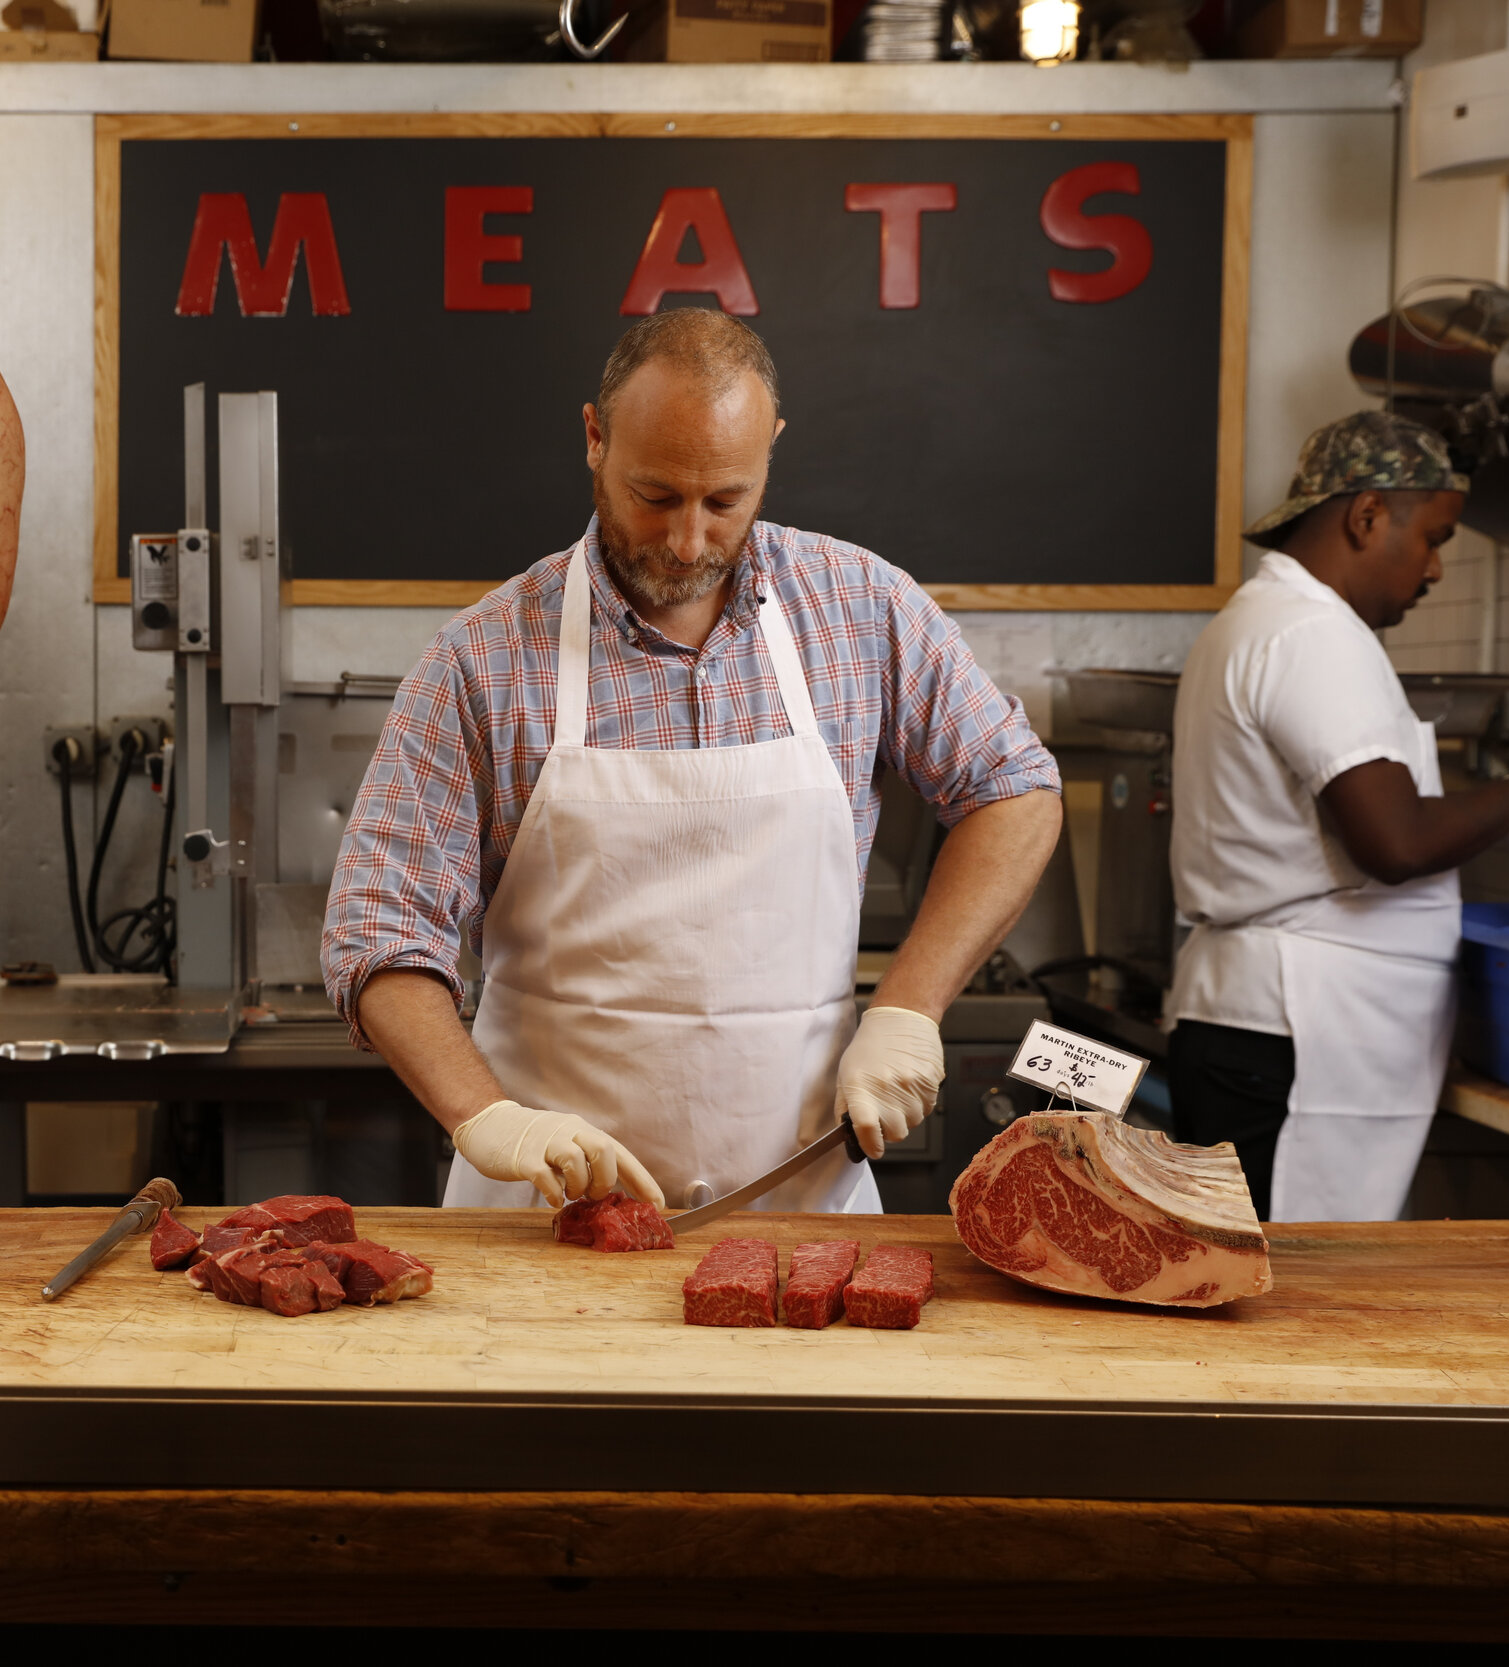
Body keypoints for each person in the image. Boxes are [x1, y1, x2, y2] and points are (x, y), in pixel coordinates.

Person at [321, 311, 1064, 1214]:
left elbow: (1015, 789)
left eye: (724, 500)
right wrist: (490, 1119)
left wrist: (909, 1007)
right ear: (594, 437)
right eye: (656, 495)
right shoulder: (484, 657)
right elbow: (378, 927)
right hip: (544, 1221)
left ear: (772, 452)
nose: (687, 541)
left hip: (801, 1211)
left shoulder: (863, 608)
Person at [1167, 411, 1509, 1222]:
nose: (1435, 569)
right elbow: (1394, 842)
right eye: (1433, 537)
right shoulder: (1310, 632)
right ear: (1367, 516)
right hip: (1298, 1031)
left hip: (1268, 1024)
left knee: (1264, 1302)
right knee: (1288, 1310)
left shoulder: (1258, 622)